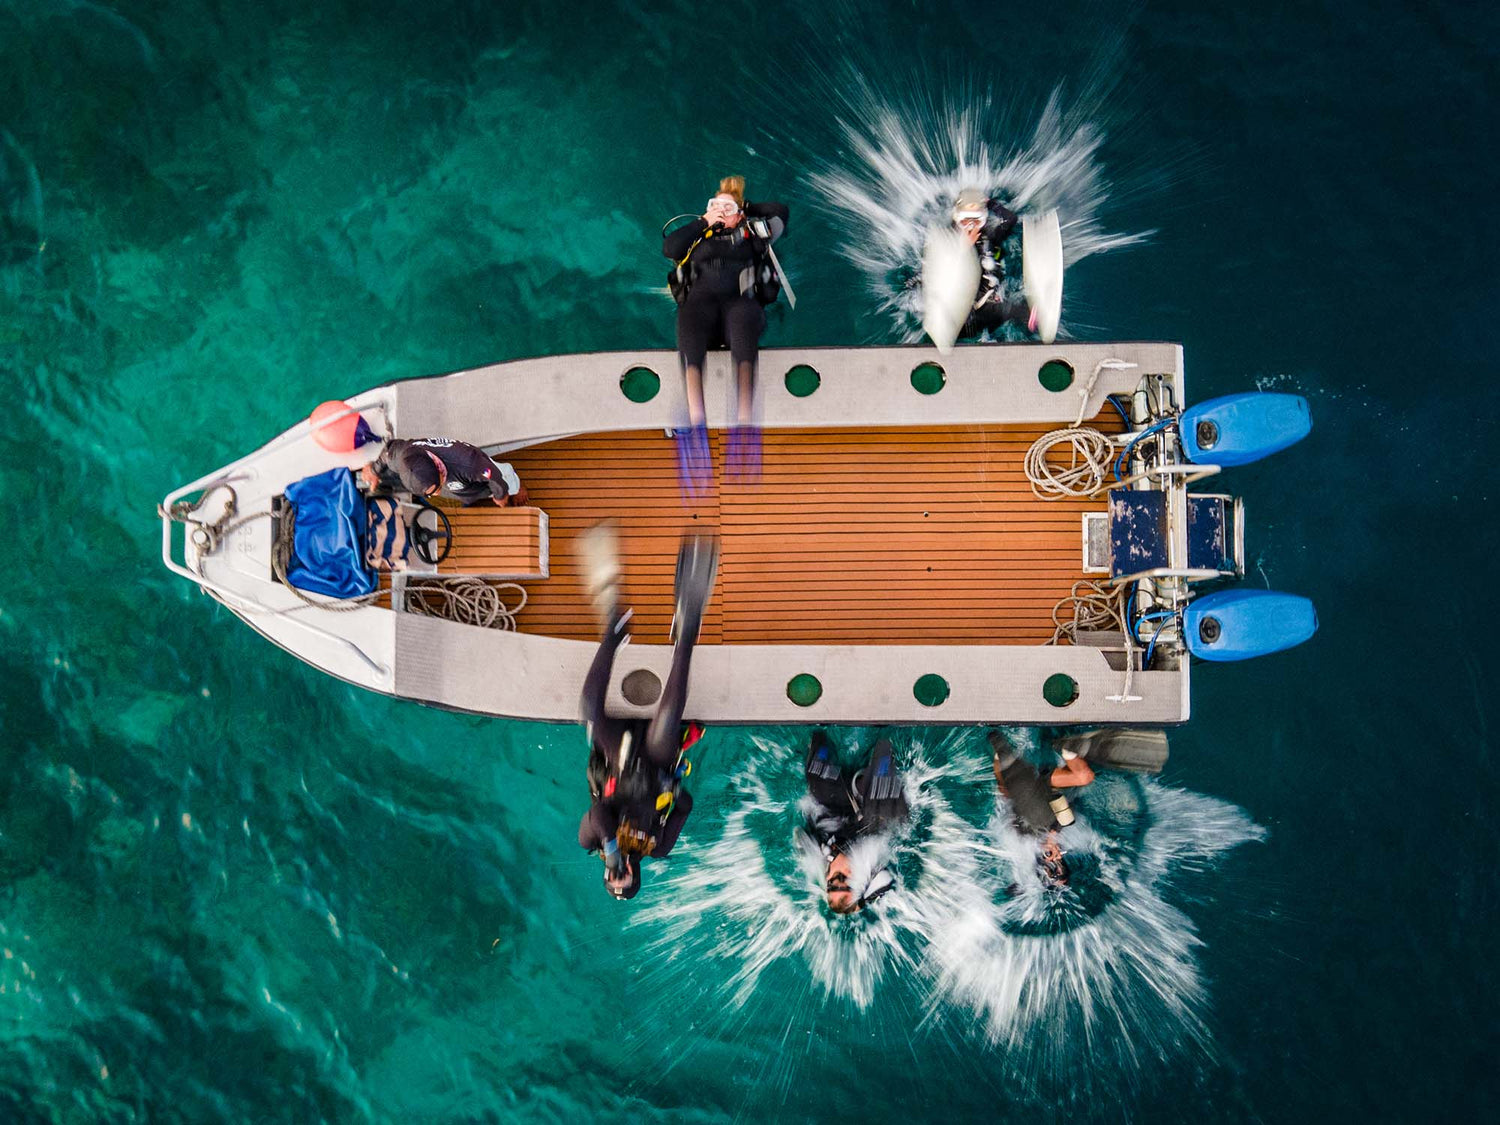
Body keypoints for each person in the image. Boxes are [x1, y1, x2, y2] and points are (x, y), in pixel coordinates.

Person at [576, 527, 719, 900]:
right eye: (624, 879)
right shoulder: (658, 847)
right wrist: (671, 790)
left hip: (618, 756)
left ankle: (615, 630)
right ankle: (686, 632)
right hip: (655, 762)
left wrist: (611, 849)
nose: (618, 874)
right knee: (669, 716)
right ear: (635, 876)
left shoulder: (592, 841)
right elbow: (685, 807)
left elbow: (597, 816)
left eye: (611, 879)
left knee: (588, 708)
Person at [662, 175, 790, 490]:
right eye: (715, 205)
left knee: (744, 315)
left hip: (738, 307)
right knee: (688, 314)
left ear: (739, 214)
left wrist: (746, 208)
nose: (721, 211)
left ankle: (744, 423)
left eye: (727, 208)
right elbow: (669, 248)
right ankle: (696, 422)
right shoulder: (698, 236)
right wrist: (704, 221)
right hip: (701, 309)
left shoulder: (752, 236)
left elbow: (780, 212)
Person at [802, 731, 910, 914]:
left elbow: (800, 836)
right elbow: (884, 882)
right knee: (883, 804)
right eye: (847, 882)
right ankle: (889, 740)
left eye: (833, 882)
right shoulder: (874, 868)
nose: (845, 874)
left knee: (818, 780)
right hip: (871, 818)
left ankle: (821, 730)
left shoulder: (820, 860)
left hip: (842, 812)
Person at [988, 729, 1095, 889]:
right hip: (1045, 784)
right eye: (1060, 866)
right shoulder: (1070, 840)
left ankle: (1001, 751)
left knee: (1011, 795)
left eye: (1052, 869)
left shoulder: (1025, 844)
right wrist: (1053, 835)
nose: (1055, 860)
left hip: (1023, 784)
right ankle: (1066, 747)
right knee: (1084, 777)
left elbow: (1012, 818)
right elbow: (1069, 810)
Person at [951, 187, 1037, 339]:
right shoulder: (950, 242)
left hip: (991, 308)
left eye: (976, 221)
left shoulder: (989, 238)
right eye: (965, 222)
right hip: (964, 314)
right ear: (957, 220)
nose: (971, 227)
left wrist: (991, 204)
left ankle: (1030, 320)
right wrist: (964, 250)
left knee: (1014, 310)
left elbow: (1011, 219)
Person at [359, 437, 528, 507]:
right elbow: (388, 452)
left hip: (483, 474)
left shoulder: (469, 463)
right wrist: (374, 470)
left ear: (438, 469)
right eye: (432, 493)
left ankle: (517, 486)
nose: (438, 493)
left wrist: (501, 495)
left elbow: (494, 475)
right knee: (463, 496)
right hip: (459, 487)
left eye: (437, 488)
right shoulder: (403, 455)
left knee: (505, 478)